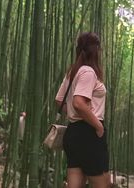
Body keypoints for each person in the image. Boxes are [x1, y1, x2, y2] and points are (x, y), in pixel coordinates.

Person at [55, 32, 111, 188]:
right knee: (102, 184)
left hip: (73, 133)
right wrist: (97, 126)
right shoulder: (88, 72)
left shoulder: (73, 71)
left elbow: (59, 100)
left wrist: (74, 115)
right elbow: (79, 103)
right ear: (95, 50)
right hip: (89, 133)